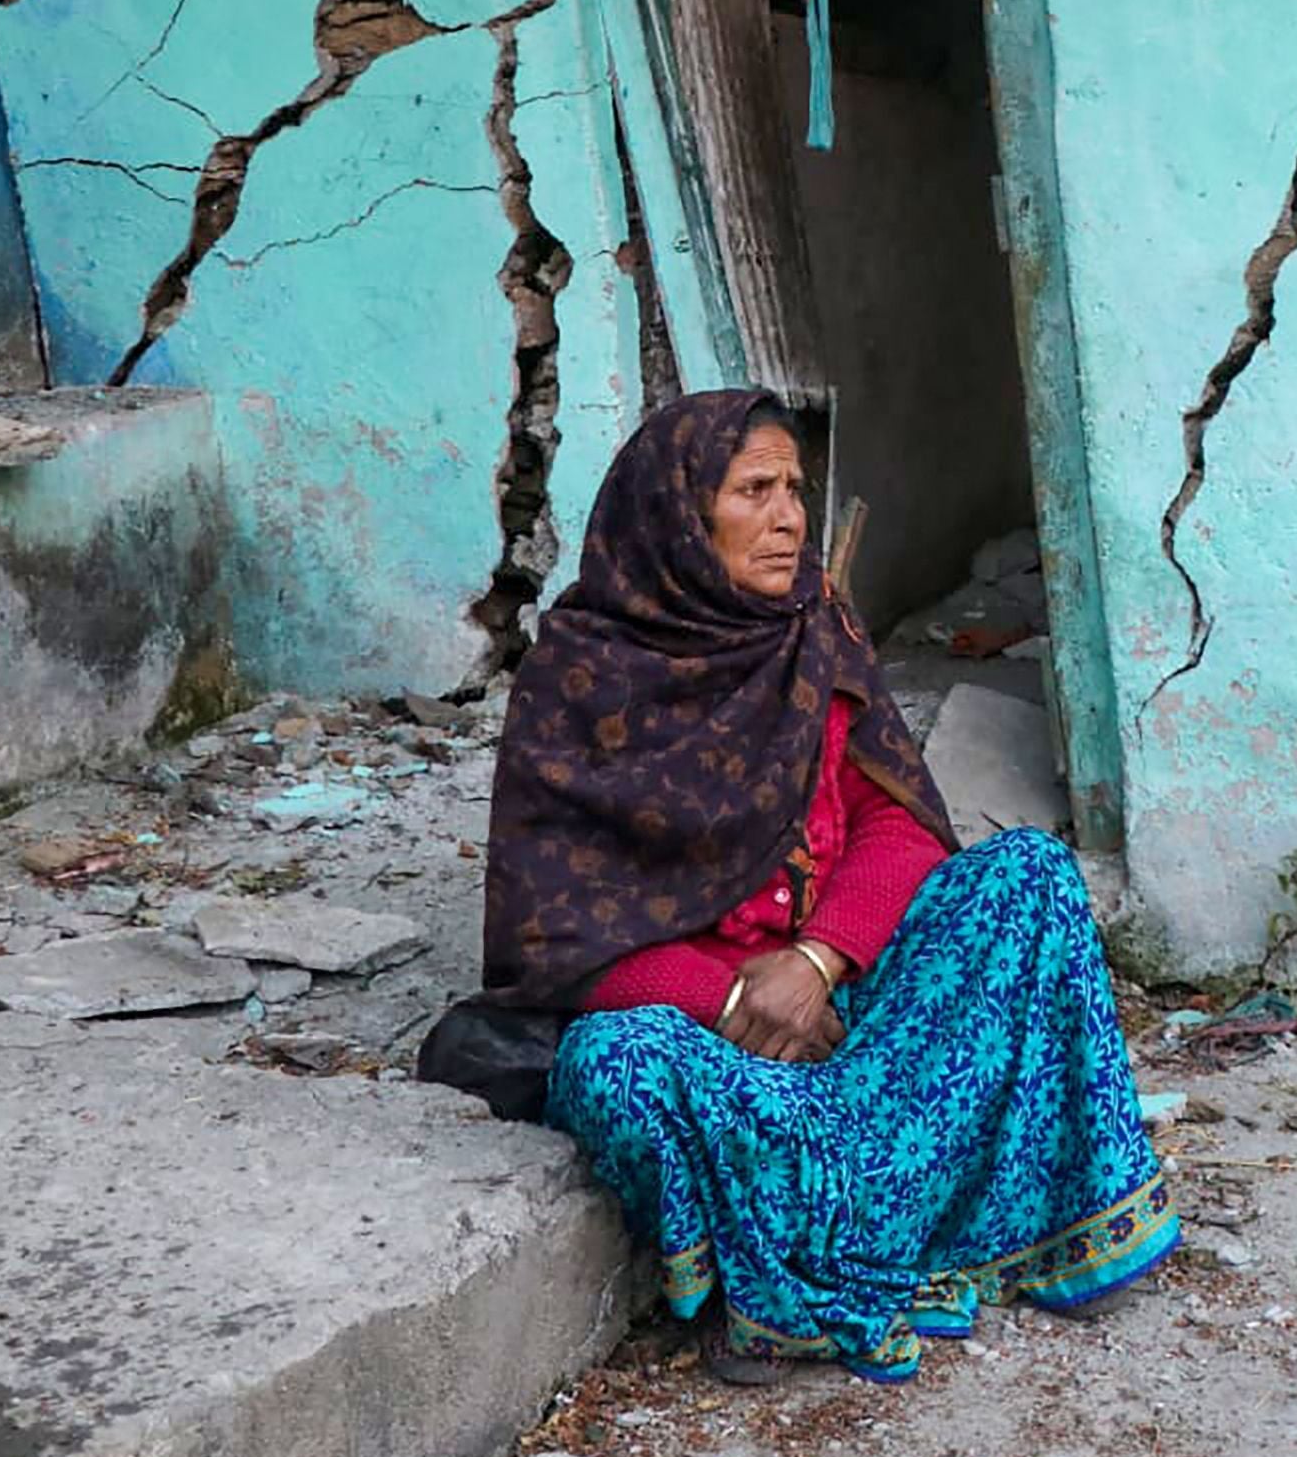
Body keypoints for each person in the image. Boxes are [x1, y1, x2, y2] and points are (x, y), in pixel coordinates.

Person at [480, 388, 1175, 1384]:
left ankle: (830, 1221)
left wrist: (819, 956)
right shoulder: (577, 681)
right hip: (714, 1037)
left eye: (794, 489)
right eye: (752, 490)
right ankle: (877, 1218)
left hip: (848, 1001)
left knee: (1028, 877)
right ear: (676, 515)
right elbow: (551, 935)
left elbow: (894, 818)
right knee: (612, 1068)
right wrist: (730, 997)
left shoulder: (814, 631)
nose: (788, 516)